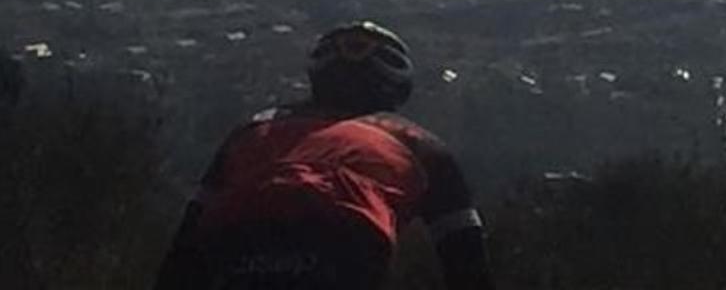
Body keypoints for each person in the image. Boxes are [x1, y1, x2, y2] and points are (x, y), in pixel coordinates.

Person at [153, 20, 494, 289]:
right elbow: (465, 260)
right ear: (395, 87)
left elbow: (185, 245)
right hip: (347, 242)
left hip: (239, 239)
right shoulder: (420, 144)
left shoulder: (254, 129)